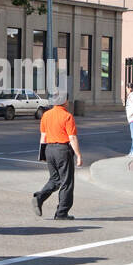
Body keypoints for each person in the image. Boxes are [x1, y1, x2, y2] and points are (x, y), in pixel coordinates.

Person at [34, 92, 83, 220]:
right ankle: (62, 213)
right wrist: (78, 155)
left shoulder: (46, 115)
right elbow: (72, 137)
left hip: (49, 149)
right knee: (67, 182)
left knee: (55, 179)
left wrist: (42, 154)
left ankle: (39, 197)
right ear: (65, 101)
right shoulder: (67, 116)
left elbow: (43, 136)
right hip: (62, 150)